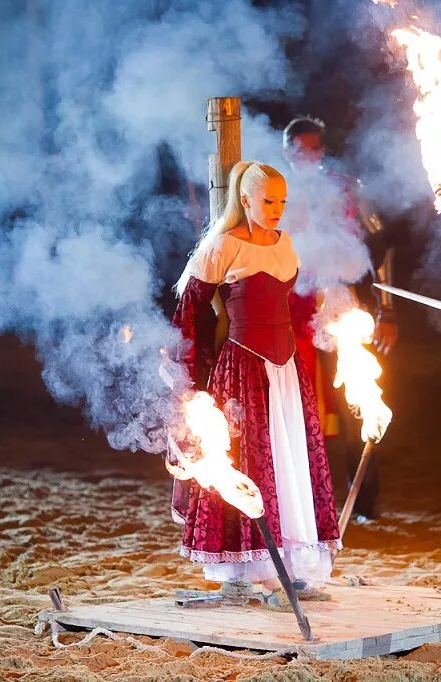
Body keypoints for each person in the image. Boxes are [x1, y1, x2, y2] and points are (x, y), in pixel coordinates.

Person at [171, 160, 341, 607]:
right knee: (252, 462)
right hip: (243, 370)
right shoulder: (223, 247)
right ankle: (249, 575)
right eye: (269, 200)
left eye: (282, 201)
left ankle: (288, 568)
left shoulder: (286, 245)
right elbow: (190, 311)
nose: (277, 209)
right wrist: (190, 373)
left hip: (285, 370)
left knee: (288, 460)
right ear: (245, 200)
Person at [281, 115, 400, 522]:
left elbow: (381, 249)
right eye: (300, 149)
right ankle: (309, 503)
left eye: (315, 149)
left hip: (343, 301)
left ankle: (362, 500)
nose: (308, 156)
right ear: (286, 151)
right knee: (298, 406)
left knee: (357, 396)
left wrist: (387, 310)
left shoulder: (347, 188)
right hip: (293, 312)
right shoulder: (272, 192)